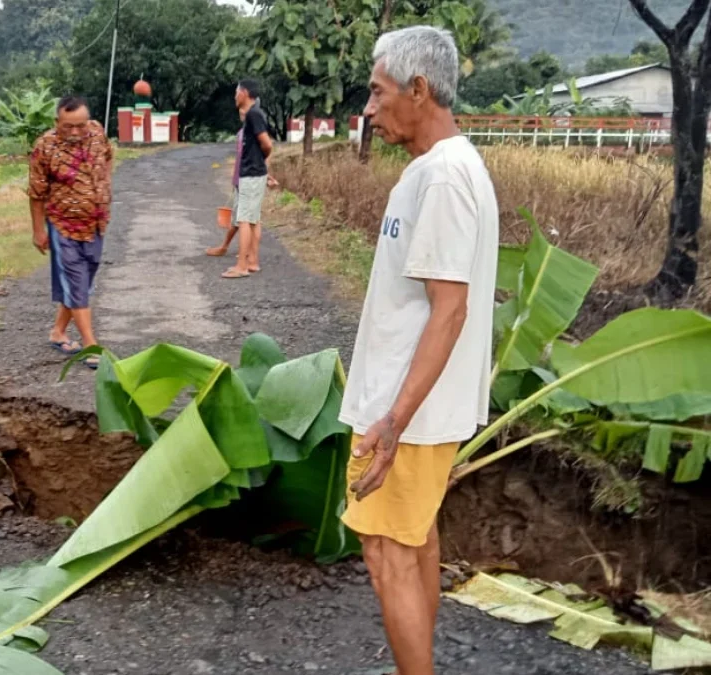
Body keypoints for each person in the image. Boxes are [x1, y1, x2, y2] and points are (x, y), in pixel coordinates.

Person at [337, 26, 499, 675]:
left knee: (388, 555)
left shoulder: (446, 178)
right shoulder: (436, 170)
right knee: (414, 539)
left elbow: (449, 309)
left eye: (378, 92)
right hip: (409, 406)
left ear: (419, 89)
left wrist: (394, 421)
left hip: (408, 412)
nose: (370, 109)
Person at [28, 95, 114, 370]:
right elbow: (36, 193)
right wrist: (38, 230)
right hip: (63, 226)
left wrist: (102, 187)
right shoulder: (45, 147)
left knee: (84, 282)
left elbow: (109, 157)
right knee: (77, 283)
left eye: (80, 125)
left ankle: (58, 332)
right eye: (68, 127)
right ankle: (91, 346)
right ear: (57, 122)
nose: (76, 132)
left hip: (97, 223)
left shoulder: (98, 132)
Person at [222, 79, 273, 279]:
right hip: (254, 172)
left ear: (244, 92)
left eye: (236, 92)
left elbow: (267, 144)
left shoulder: (253, 114)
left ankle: (241, 265)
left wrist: (259, 160)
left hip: (252, 173)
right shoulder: (253, 115)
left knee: (244, 219)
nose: (235, 96)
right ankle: (252, 262)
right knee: (253, 219)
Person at [206, 108, 246, 258]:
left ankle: (242, 251)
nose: (241, 113)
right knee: (240, 218)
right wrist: (235, 178)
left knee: (244, 219)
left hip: (247, 181)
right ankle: (230, 248)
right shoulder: (241, 133)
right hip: (240, 181)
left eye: (245, 110)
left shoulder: (252, 132)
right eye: (240, 111)